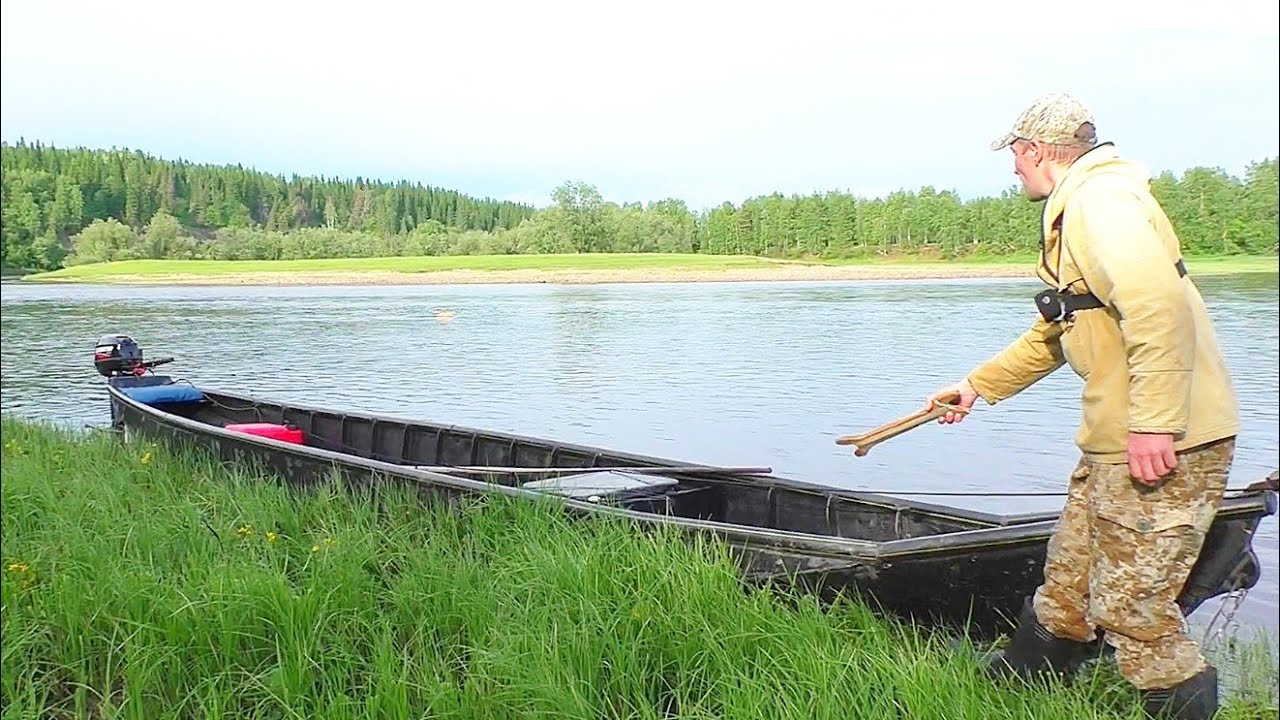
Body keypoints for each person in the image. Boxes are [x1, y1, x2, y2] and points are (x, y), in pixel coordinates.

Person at [926, 93, 1240, 720]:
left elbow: (1157, 307)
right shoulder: (1086, 207)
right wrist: (978, 386)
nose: (1014, 168)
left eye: (1015, 154)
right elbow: (1061, 329)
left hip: (1159, 440)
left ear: (1036, 150)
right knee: (1066, 591)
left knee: (1134, 611)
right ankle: (1011, 699)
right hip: (1117, 438)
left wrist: (1155, 423)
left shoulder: (1100, 203)